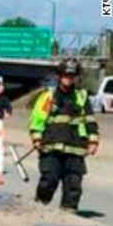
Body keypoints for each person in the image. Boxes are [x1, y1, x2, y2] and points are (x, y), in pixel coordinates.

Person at [30, 58, 100, 212]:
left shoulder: (82, 96)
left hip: (75, 148)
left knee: (73, 186)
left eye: (72, 75)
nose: (69, 78)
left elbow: (90, 120)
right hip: (50, 147)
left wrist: (93, 141)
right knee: (49, 180)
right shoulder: (48, 96)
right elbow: (37, 120)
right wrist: (36, 138)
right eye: (66, 75)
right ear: (59, 76)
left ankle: (68, 218)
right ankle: (38, 209)